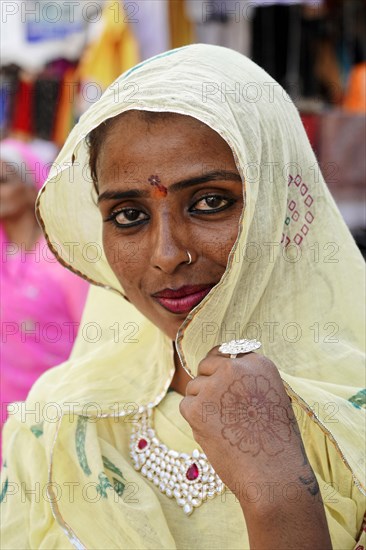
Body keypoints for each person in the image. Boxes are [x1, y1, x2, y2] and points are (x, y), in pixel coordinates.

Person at [1, 45, 365, 549]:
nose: (167, 255)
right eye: (128, 215)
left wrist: (279, 495)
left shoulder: (352, 415)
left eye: (211, 202)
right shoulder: (58, 422)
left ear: (280, 203)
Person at [0, 138, 89, 459]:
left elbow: (89, 336)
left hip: (54, 408)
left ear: (31, 184)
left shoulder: (63, 257)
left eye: (3, 180)